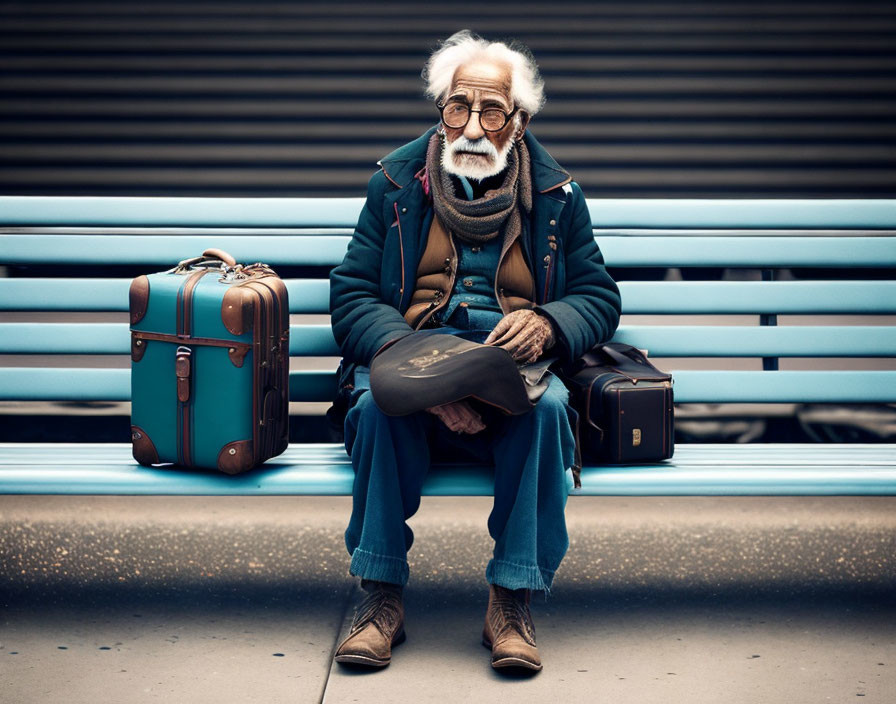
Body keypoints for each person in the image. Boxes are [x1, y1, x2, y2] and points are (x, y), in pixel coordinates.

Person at [328, 29, 621, 672]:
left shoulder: (558, 195)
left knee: (546, 414)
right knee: (380, 407)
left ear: (518, 119)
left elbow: (598, 296)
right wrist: (422, 377)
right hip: (413, 359)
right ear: (441, 110)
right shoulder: (395, 184)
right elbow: (351, 295)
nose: (474, 127)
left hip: (516, 373)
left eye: (492, 110)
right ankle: (380, 598)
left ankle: (510, 601)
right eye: (459, 107)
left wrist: (548, 322)